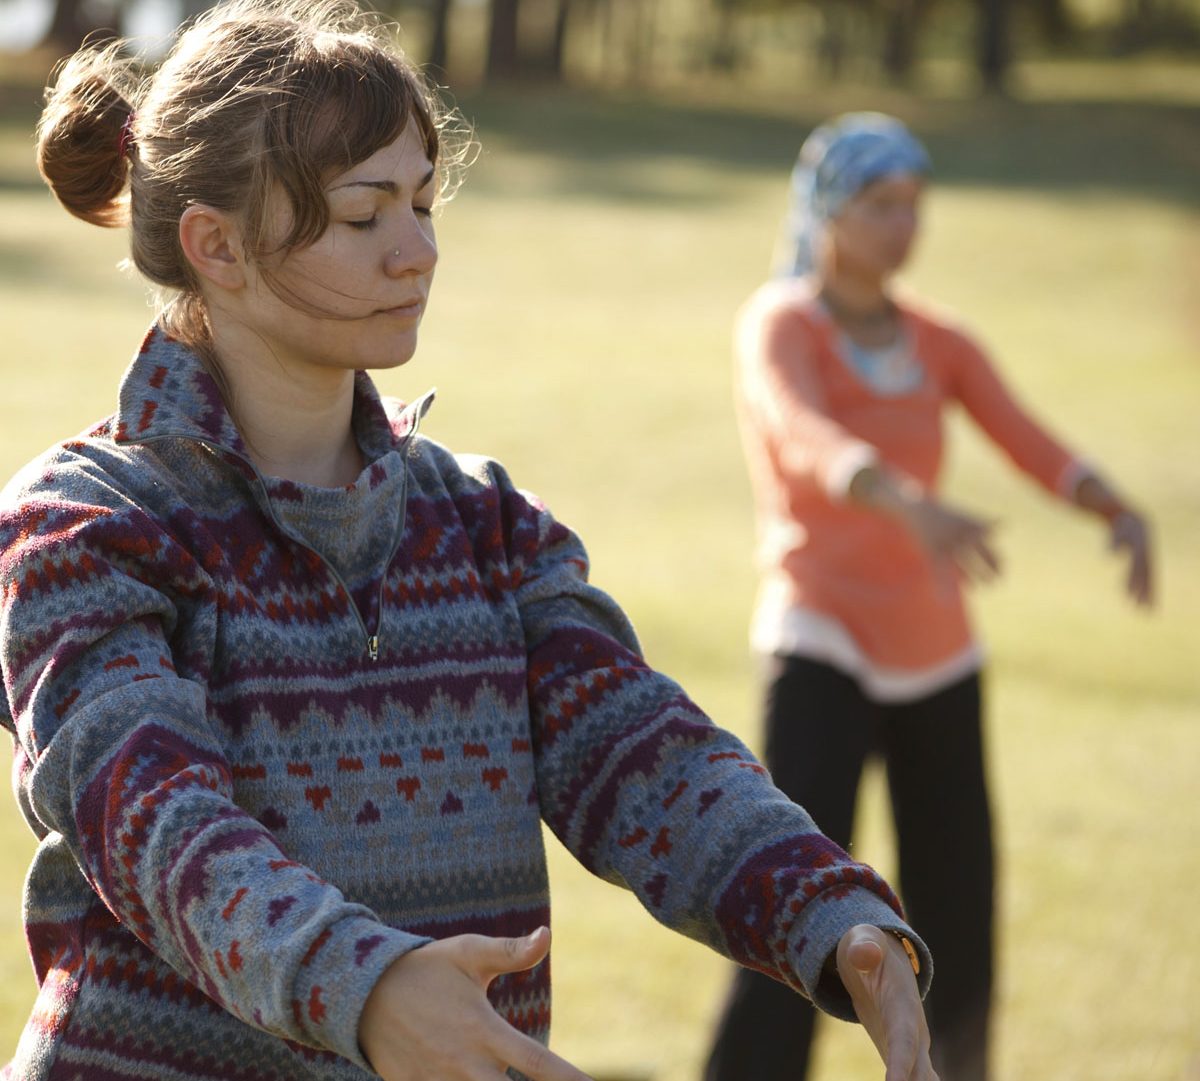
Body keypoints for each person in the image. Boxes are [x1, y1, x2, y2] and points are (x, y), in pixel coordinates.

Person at [0, 14, 940, 1081]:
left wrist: (828, 908)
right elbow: (155, 824)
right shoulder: (85, 528)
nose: (418, 249)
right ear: (215, 245)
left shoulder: (484, 523)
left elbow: (643, 753)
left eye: (421, 201)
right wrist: (366, 985)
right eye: (363, 215)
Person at [702, 112, 1153, 1081]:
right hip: (820, 634)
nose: (904, 225)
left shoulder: (938, 337)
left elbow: (1024, 434)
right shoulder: (782, 320)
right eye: (880, 204)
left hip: (935, 649)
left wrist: (1111, 504)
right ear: (829, 210)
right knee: (787, 892)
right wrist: (906, 502)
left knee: (956, 904)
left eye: (915, 204)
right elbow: (803, 433)